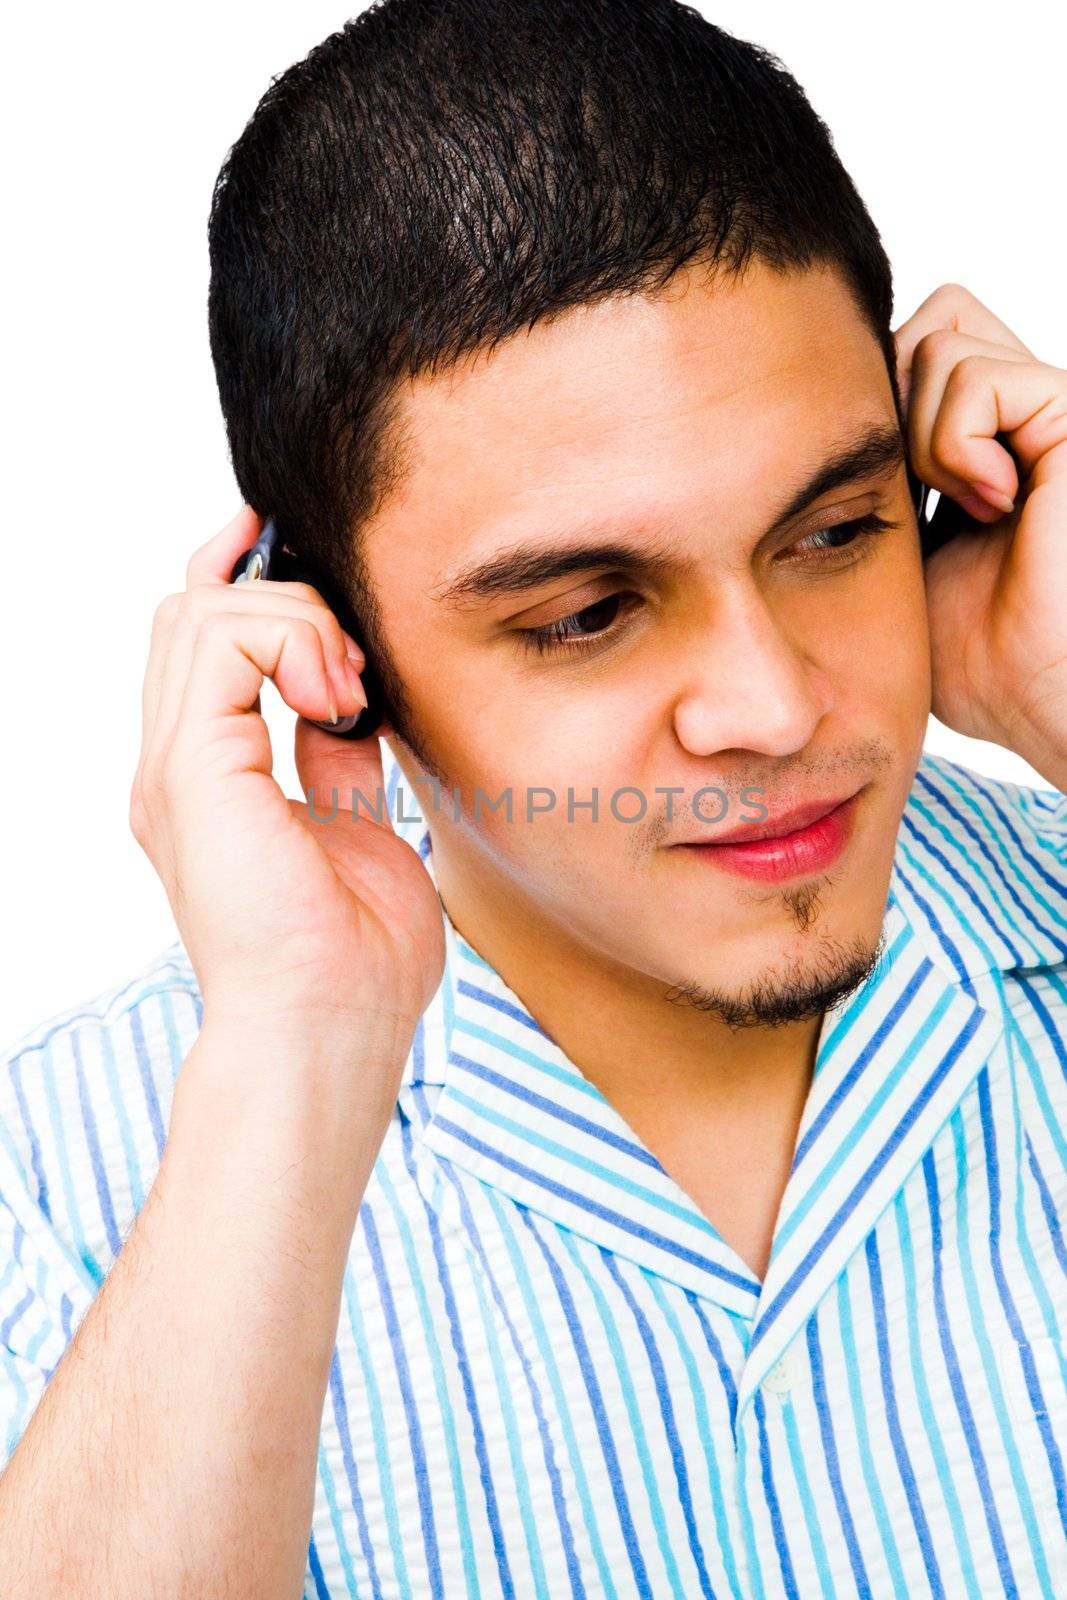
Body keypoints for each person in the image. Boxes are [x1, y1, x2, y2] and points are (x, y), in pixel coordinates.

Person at [1, 0, 1065, 1594]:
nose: (774, 708)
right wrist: (300, 1050)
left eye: (836, 531)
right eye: (585, 616)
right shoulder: (68, 1182)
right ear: (333, 640)